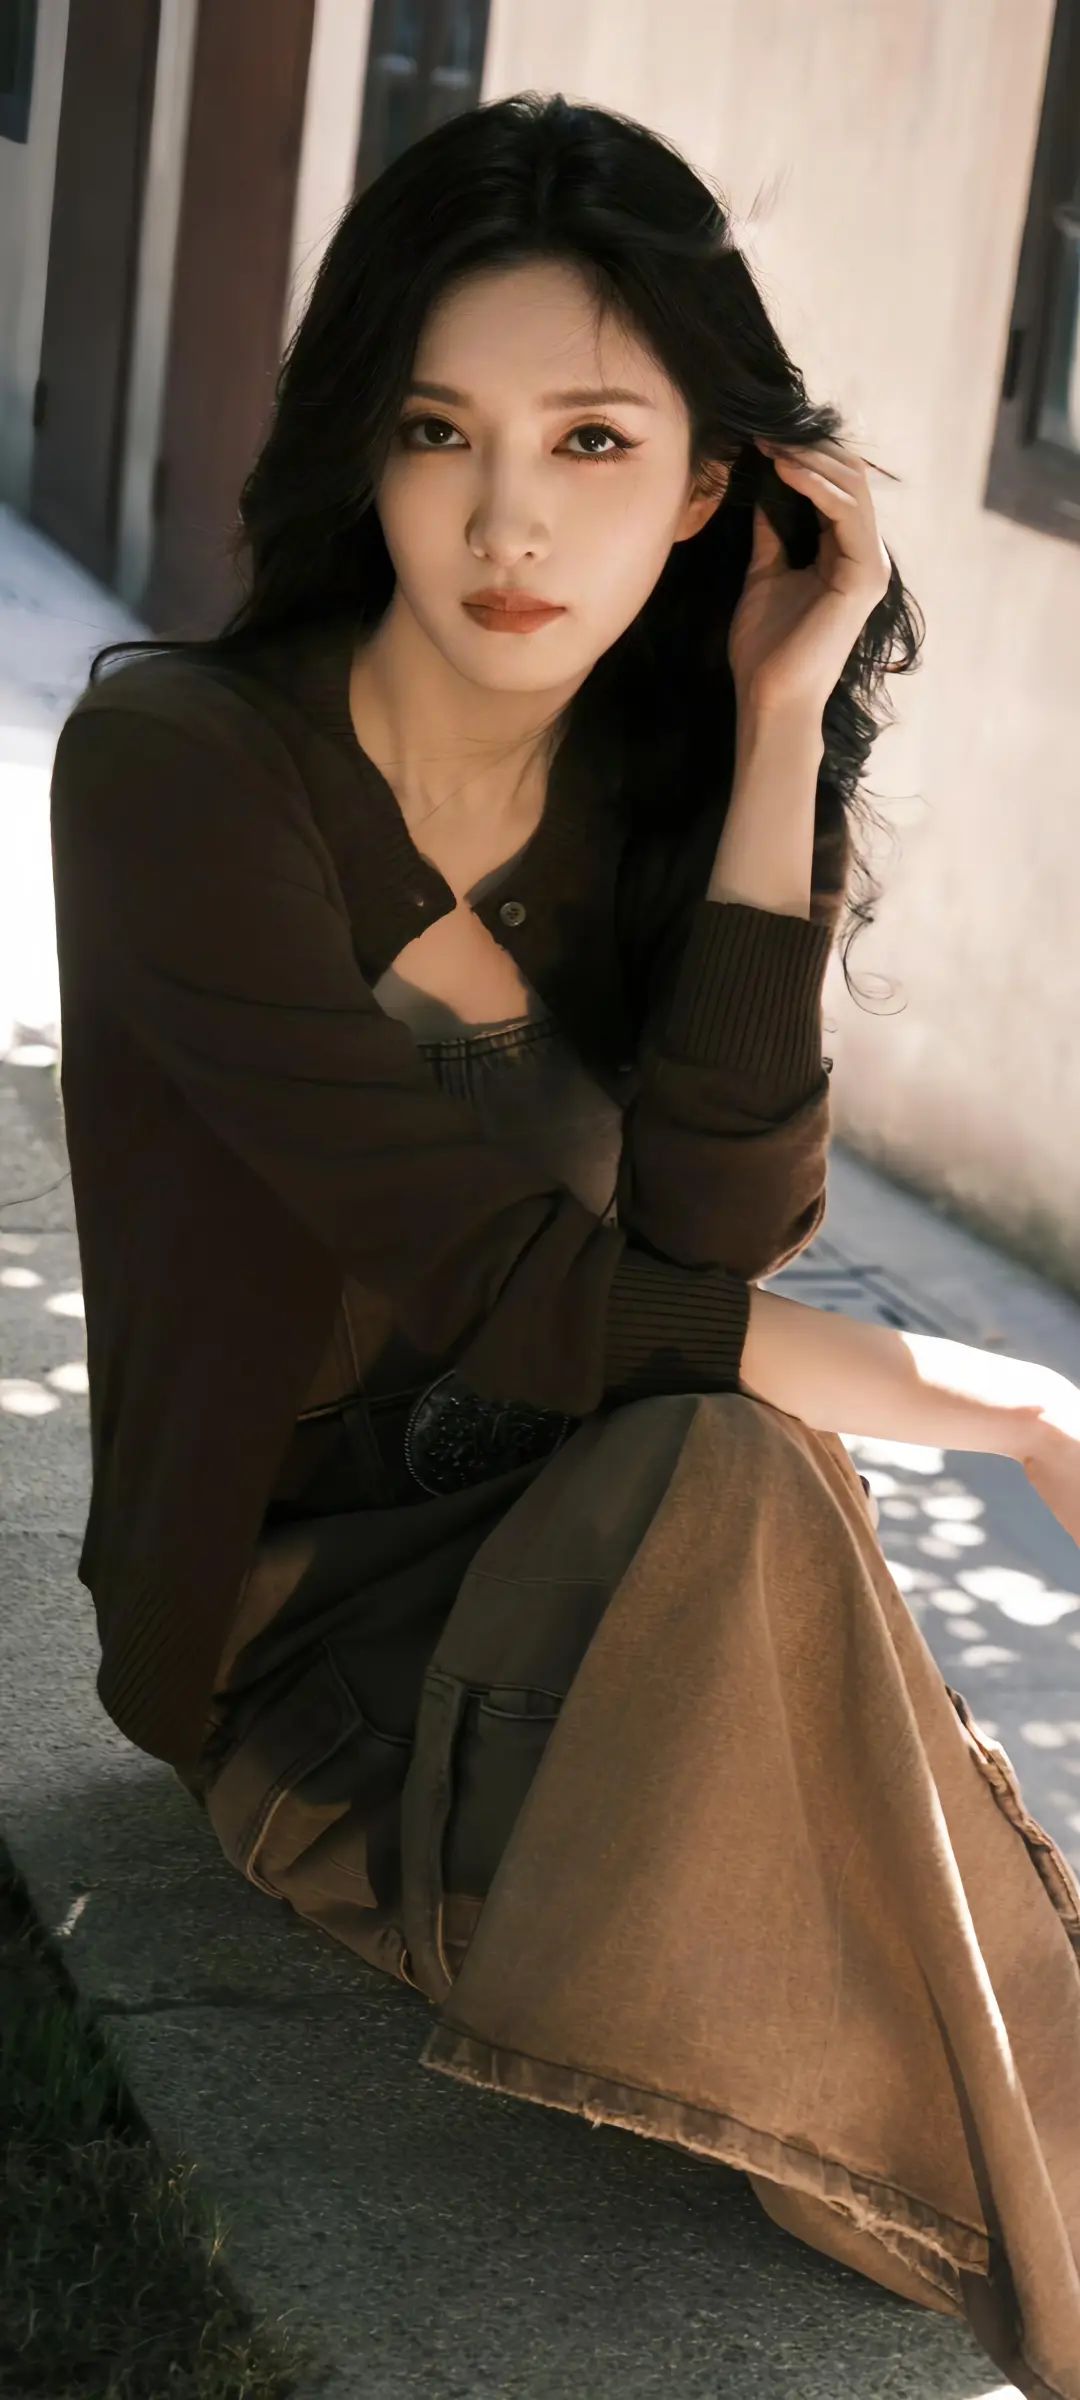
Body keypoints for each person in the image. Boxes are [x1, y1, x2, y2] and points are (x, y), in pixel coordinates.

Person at [50, 92, 1080, 2399]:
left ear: (714, 484)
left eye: (595, 441)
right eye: (441, 429)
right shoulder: (185, 774)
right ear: (366, 444)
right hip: (307, 1642)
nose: (508, 519)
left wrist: (777, 723)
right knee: (749, 1481)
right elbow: (529, 1288)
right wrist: (1006, 1404)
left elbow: (721, 1229)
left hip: (612, 1556)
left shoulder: (652, 779)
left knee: (741, 1472)